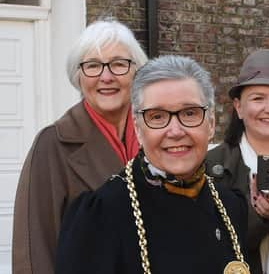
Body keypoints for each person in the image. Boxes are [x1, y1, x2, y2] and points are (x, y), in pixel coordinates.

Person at [55, 55, 249, 273]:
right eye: (157, 117)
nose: (175, 131)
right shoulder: (100, 215)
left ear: (211, 124)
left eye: (190, 113)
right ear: (138, 129)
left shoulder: (231, 205)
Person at [12, 18, 148, 274]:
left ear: (136, 72)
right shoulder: (53, 143)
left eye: (118, 64)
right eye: (93, 66)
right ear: (78, 76)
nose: (106, 77)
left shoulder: (158, 135)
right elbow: (34, 245)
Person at [206, 49, 269, 274]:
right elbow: (205, 245)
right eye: (258, 98)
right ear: (239, 107)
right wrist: (259, 217)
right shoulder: (210, 167)